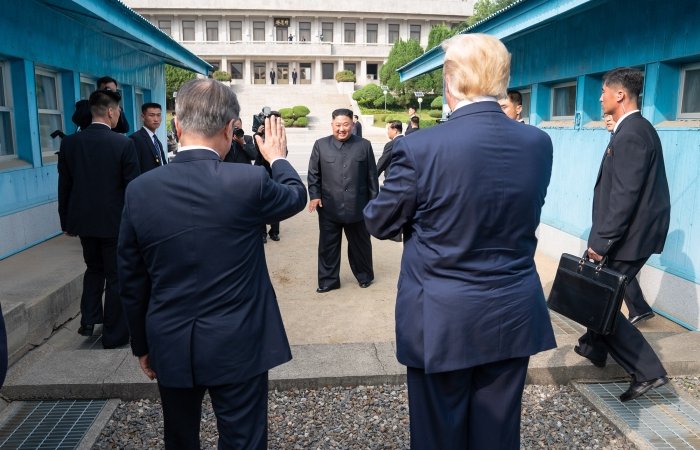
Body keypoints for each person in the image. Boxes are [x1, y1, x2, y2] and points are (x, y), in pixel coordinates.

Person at [364, 34, 556, 449]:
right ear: (501, 82)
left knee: (438, 433)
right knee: (498, 432)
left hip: (442, 314)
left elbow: (378, 222)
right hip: (511, 307)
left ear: (450, 83)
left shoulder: (419, 147)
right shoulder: (538, 143)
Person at [118, 79, 307, 449]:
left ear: (176, 125)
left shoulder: (140, 190)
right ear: (229, 128)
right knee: (243, 439)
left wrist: (142, 344)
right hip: (239, 338)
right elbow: (295, 197)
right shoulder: (248, 180)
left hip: (169, 338)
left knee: (180, 436)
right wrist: (278, 157)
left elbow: (131, 277)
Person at [575, 67, 670, 402]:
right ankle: (594, 348)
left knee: (603, 302)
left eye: (603, 90)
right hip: (632, 234)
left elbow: (625, 196)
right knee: (602, 297)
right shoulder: (632, 129)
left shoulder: (632, 133)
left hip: (631, 237)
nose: (599, 96)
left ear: (620, 95)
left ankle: (649, 371)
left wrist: (600, 243)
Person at [58, 89, 140, 348]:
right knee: (116, 276)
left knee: (93, 269)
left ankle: (89, 321)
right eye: (117, 112)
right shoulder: (123, 144)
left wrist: (66, 222)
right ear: (110, 111)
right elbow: (133, 188)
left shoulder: (70, 143)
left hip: (82, 222)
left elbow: (65, 186)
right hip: (114, 222)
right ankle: (114, 335)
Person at [308, 108, 378, 293]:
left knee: (360, 245)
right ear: (332, 125)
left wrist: (375, 203)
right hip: (329, 207)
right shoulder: (320, 145)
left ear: (352, 125)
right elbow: (314, 174)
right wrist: (315, 195)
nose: (341, 129)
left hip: (359, 206)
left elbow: (372, 177)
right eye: (338, 125)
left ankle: (364, 276)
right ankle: (328, 281)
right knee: (328, 246)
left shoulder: (364, 145)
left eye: (345, 125)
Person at [130, 103, 167, 173]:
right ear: (143, 117)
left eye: (158, 115)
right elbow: (134, 168)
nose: (156, 119)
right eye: (151, 115)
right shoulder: (136, 139)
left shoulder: (157, 141)